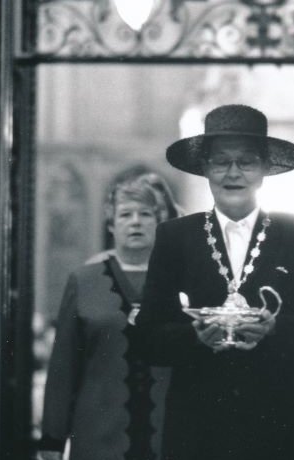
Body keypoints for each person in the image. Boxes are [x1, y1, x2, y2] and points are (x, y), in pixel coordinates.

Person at [133, 104, 294, 460]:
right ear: (205, 168)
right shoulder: (176, 237)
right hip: (198, 430)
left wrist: (275, 328)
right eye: (221, 161)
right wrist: (193, 336)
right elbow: (148, 335)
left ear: (265, 168)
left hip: (283, 428)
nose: (233, 173)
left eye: (246, 161)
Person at [38, 175, 177, 460]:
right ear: (112, 224)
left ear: (158, 222)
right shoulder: (84, 280)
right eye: (126, 214)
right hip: (98, 436)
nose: (136, 222)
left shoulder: (179, 281)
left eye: (145, 214)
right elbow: (64, 366)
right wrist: (53, 438)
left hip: (168, 437)